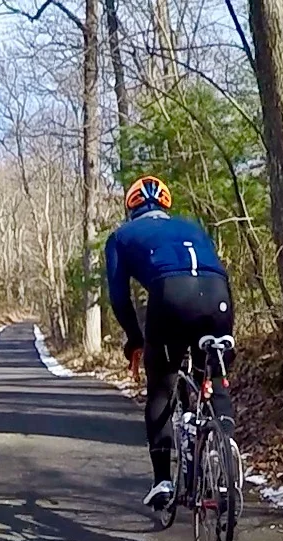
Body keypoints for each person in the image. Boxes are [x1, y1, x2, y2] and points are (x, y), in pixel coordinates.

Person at [104, 175, 235, 512]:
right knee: (215, 376)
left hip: (171, 296)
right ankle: (226, 453)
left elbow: (119, 298)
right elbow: (217, 267)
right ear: (165, 205)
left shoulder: (121, 236)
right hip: (219, 295)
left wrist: (135, 338)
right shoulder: (191, 226)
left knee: (161, 387)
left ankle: (162, 479)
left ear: (131, 208)